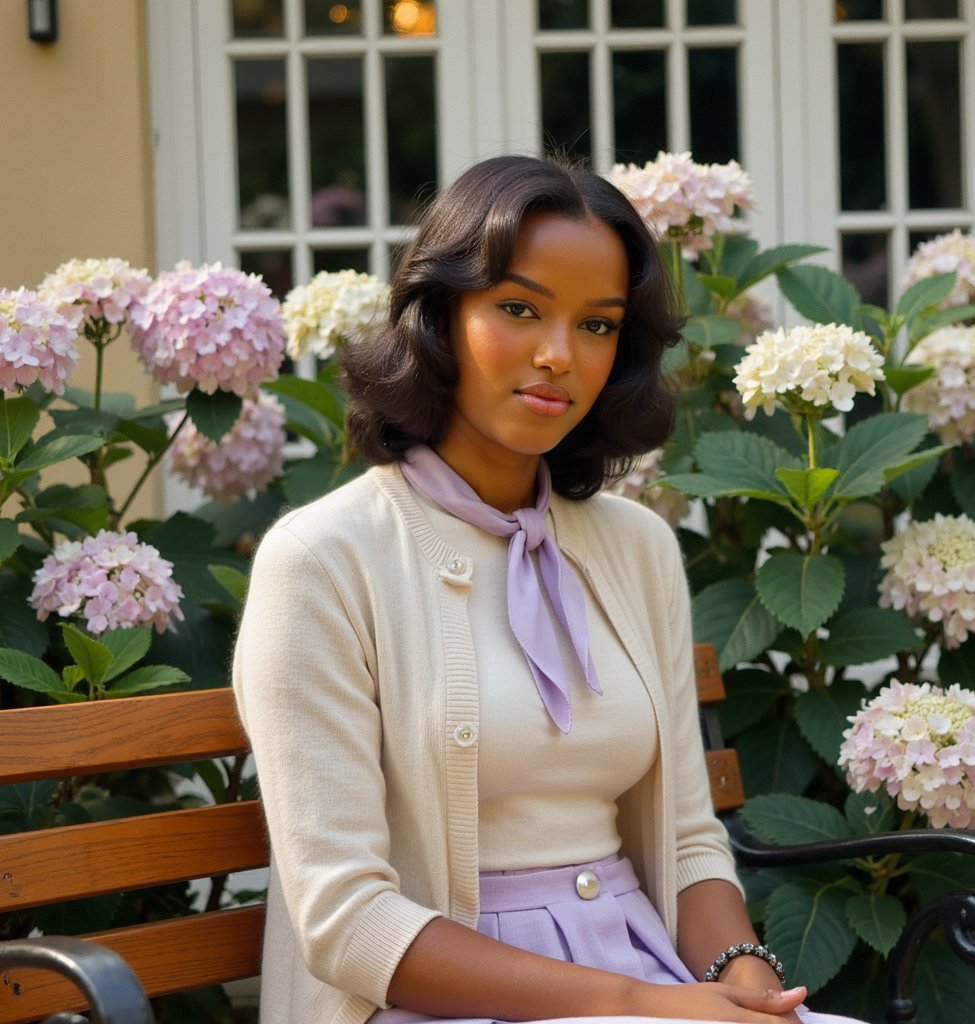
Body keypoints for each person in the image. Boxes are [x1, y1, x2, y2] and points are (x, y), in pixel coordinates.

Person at [232, 154, 867, 1024]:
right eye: (519, 309)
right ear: (440, 316)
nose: (558, 356)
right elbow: (348, 921)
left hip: (647, 973)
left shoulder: (635, 546)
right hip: (432, 1000)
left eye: (598, 326)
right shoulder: (323, 559)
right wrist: (639, 1004)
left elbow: (686, 837)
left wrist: (749, 982)